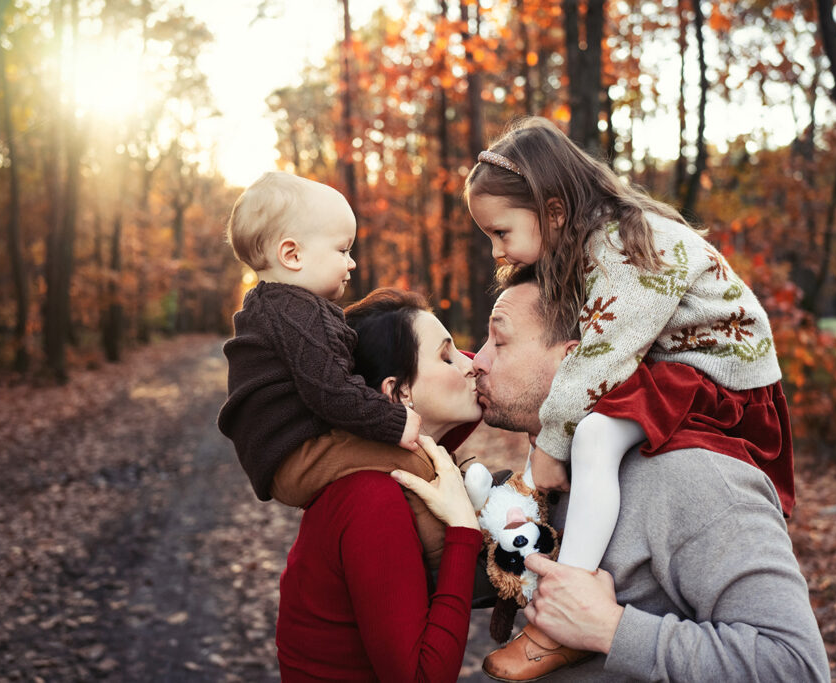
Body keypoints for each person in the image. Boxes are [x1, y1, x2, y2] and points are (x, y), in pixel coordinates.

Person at [465, 118, 796, 678]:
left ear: (553, 211)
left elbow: (602, 353)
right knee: (583, 435)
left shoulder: (628, 244)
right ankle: (549, 584)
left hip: (720, 378)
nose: (499, 252)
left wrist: (550, 440)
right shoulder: (597, 244)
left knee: (590, 432)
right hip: (682, 367)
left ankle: (557, 618)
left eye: (501, 233)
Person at [470, 267, 830, 682]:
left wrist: (610, 629)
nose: (478, 360)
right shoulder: (550, 477)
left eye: (499, 340)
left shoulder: (693, 474)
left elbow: (796, 666)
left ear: (574, 359)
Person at [274, 288, 487, 682]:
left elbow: (476, 381)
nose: (470, 365)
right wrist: (462, 531)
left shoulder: (383, 462)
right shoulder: (373, 498)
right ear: (398, 391)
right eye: (446, 356)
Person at [217, 172, 422, 504]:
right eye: (342, 250)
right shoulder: (299, 312)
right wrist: (394, 421)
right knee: (417, 464)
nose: (352, 263)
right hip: (299, 455)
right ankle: (456, 544)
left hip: (283, 458)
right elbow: (332, 391)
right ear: (293, 255)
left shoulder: (268, 307)